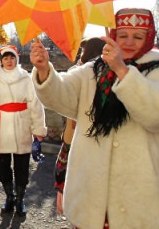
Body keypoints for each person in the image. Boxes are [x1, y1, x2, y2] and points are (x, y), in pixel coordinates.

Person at [30, 8, 159, 229]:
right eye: (122, 35)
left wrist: (122, 71)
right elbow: (63, 96)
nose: (129, 42)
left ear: (149, 38)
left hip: (141, 198)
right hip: (91, 195)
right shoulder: (93, 70)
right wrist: (44, 70)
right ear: (113, 35)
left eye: (137, 36)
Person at [0, 45, 47, 216]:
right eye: (5, 58)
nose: (9, 61)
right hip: (1, 127)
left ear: (17, 59)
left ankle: (20, 199)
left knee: (22, 165)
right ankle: (9, 197)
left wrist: (38, 130)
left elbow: (35, 105)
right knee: (3, 165)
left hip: (22, 125)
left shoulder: (26, 78)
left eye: (12, 57)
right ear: (1, 61)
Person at [54, 37, 105, 216]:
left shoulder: (91, 74)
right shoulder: (78, 73)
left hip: (81, 135)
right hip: (75, 134)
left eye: (82, 51)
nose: (80, 55)